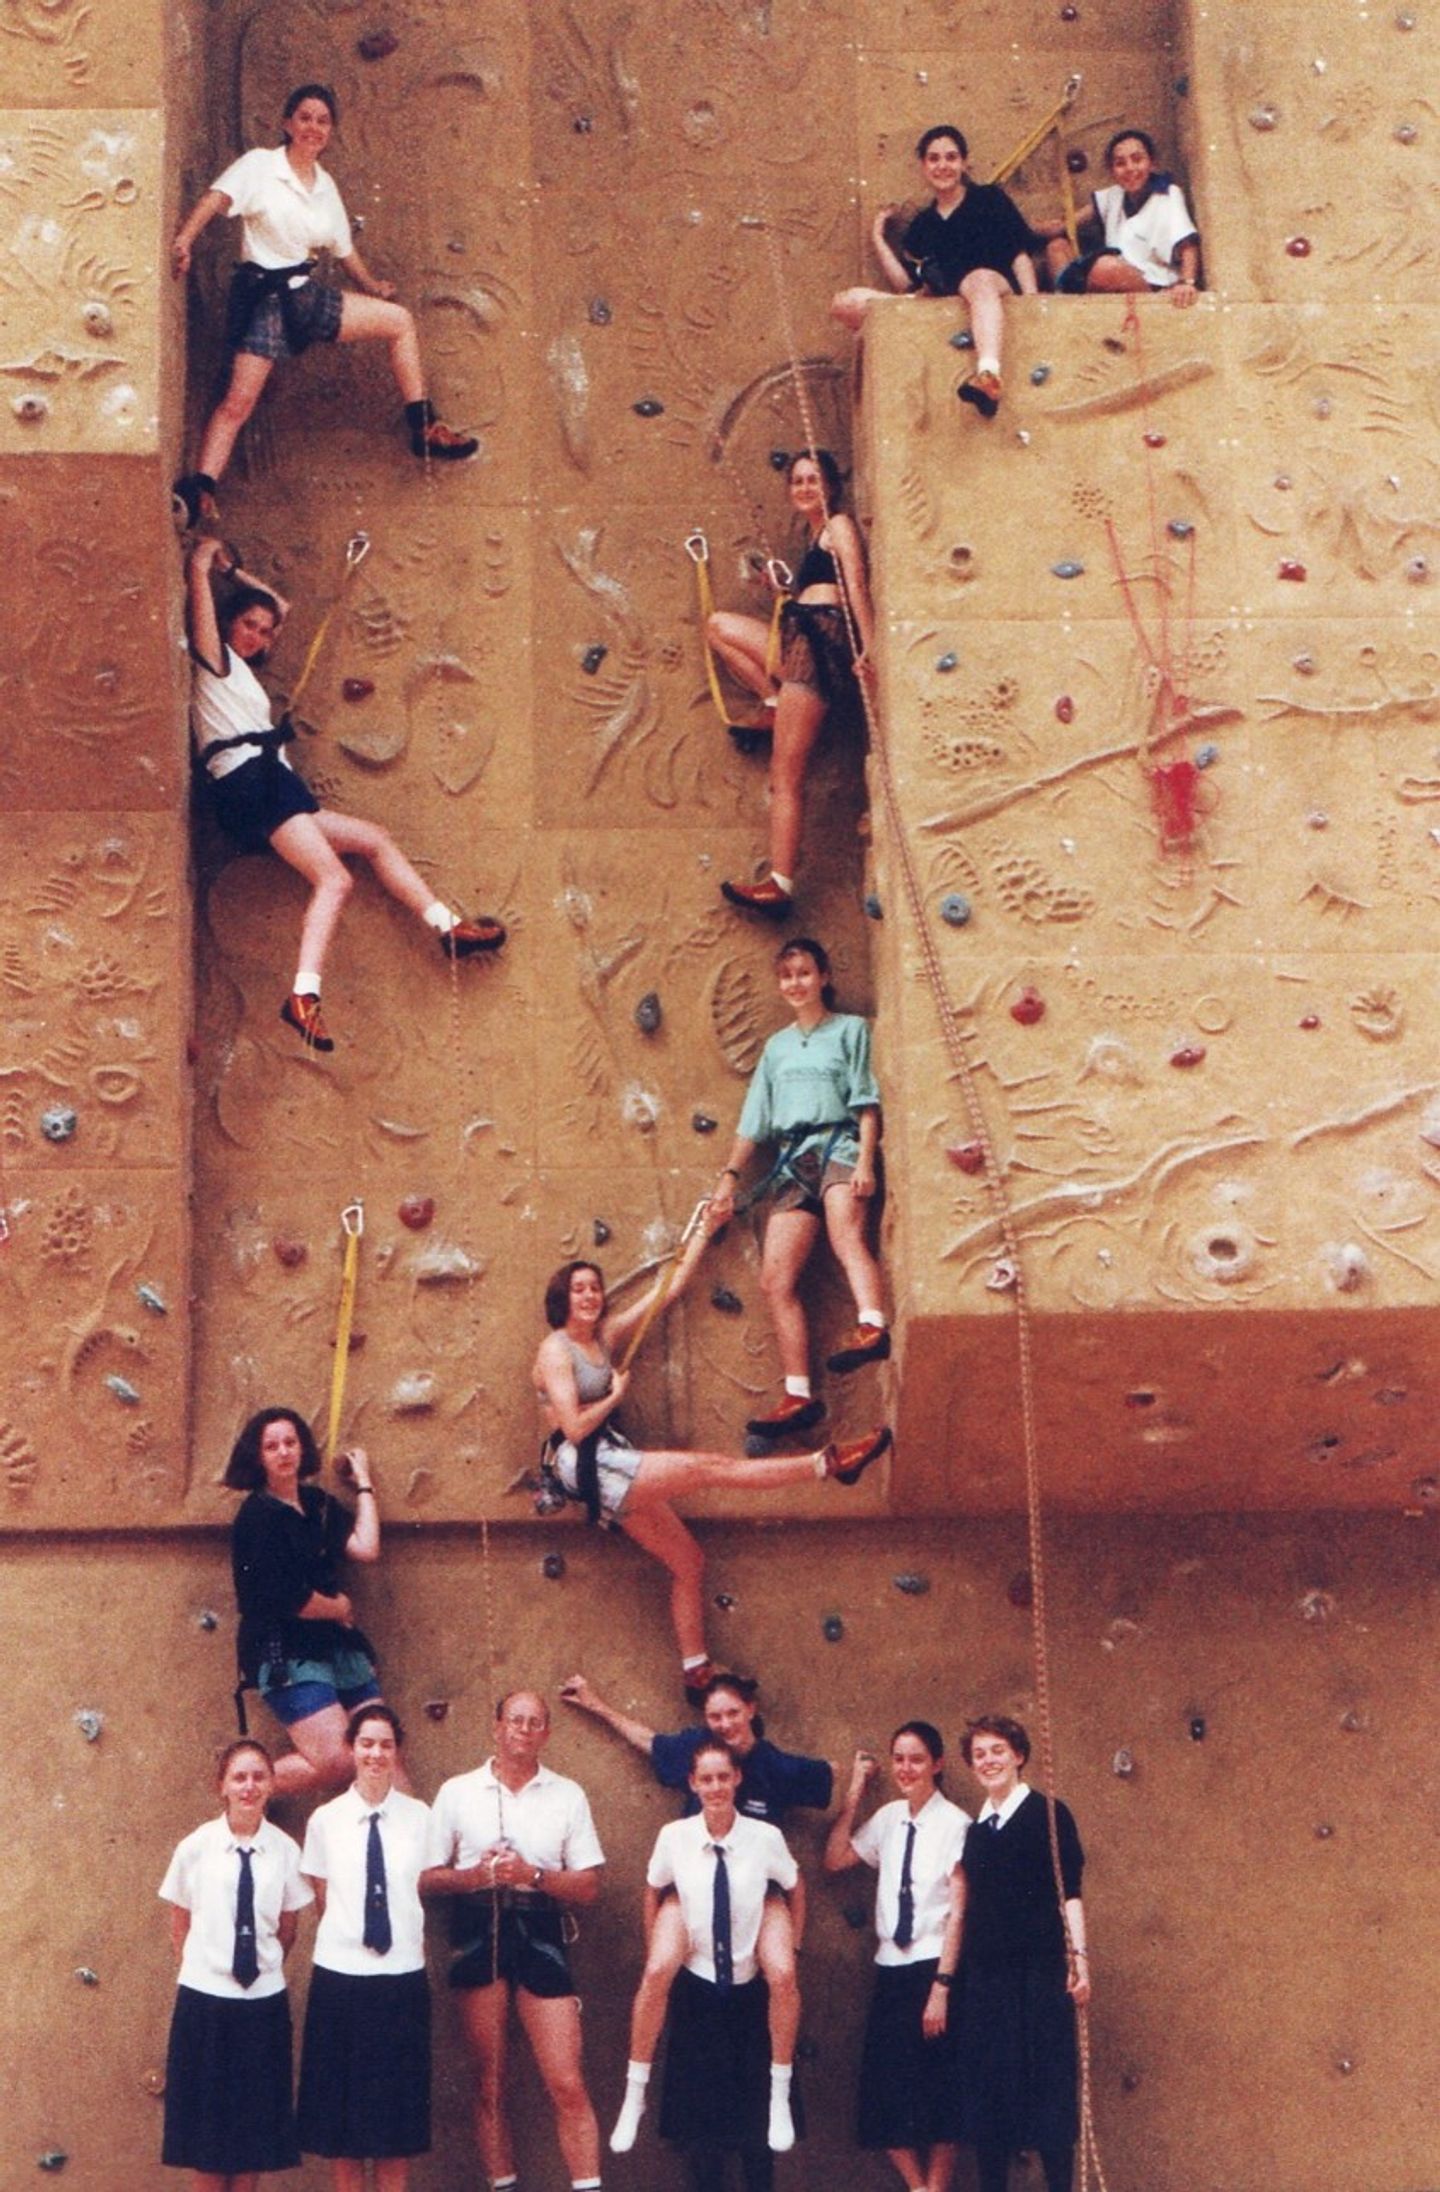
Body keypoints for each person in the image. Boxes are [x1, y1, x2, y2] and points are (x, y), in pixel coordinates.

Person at [187, 536, 505, 1052]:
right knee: (333, 879)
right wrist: (210, 563)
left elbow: (282, 607)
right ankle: (303, 996)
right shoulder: (215, 661)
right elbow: (202, 588)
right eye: (248, 624)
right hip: (248, 785)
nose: (257, 635)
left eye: (264, 631)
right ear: (226, 624)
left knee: (374, 839)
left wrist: (243, 579)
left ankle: (446, 928)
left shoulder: (242, 672)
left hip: (271, 784)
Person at [534, 1241, 892, 1699]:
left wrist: (708, 1227)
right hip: (585, 1460)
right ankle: (829, 1463)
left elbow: (668, 1290)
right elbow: (575, 1427)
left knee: (689, 1562)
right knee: (711, 1467)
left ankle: (696, 1669)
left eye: (595, 1289)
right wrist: (614, 1397)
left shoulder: (603, 1339)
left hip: (606, 1463)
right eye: (578, 1289)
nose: (589, 1296)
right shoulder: (555, 1350)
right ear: (561, 1298)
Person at [171, 82, 476, 526]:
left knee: (399, 321)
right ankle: (201, 490)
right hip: (265, 299)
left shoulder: (324, 184)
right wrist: (184, 240)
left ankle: (423, 428)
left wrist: (372, 284)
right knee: (238, 403)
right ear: (287, 123)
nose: (313, 127)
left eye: (322, 120)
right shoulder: (261, 165)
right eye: (305, 117)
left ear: (329, 131)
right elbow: (216, 200)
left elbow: (341, 248)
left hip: (306, 297)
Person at [561, 1671, 830, 2157]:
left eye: (732, 1713)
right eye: (715, 1716)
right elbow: (648, 1741)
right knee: (660, 1968)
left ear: (750, 1710)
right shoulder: (693, 1761)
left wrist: (861, 1779)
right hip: (694, 1885)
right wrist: (596, 1703)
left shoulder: (777, 1769)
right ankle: (633, 2095)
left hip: (759, 1892)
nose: (724, 1723)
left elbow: (827, 1778)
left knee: (784, 1974)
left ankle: (779, 2097)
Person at [419, 1691, 607, 2192]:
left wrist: (534, 1875)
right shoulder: (457, 1792)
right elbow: (427, 1879)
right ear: (496, 1727)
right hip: (478, 1925)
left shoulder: (568, 1794)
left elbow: (588, 1886)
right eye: (515, 1720)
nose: (524, 1729)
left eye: (535, 1722)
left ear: (546, 1733)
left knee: (566, 2080)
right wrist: (477, 1875)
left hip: (541, 1928)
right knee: (489, 2079)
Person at [708, 935, 888, 1439]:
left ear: (824, 977)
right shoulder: (777, 1047)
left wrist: (866, 1162)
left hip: (839, 1145)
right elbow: (753, 1121)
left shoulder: (850, 1031)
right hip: (792, 1157)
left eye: (804, 972)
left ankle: (872, 1325)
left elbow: (865, 1101)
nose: (795, 982)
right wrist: (728, 1177)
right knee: (774, 1280)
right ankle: (798, 1395)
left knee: (844, 1234)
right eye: (786, 975)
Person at [622, 1739, 804, 2186]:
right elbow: (653, 1888)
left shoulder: (765, 1838)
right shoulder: (675, 1837)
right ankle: (634, 2095)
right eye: (707, 1778)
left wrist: (792, 1945)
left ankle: (779, 2097)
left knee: (756, 2129)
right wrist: (656, 1950)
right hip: (699, 1984)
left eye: (724, 1776)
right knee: (702, 2129)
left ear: (738, 1778)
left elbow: (794, 1887)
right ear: (693, 1783)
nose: (716, 1786)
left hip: (750, 1987)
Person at [712, 449, 875, 919]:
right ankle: (771, 701)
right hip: (801, 638)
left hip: (818, 650)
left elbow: (856, 587)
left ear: (830, 486)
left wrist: (869, 649)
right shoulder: (813, 536)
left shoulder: (838, 526)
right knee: (720, 627)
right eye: (797, 482)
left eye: (812, 480)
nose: (804, 488)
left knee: (786, 775)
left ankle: (779, 881)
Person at [159, 1738, 313, 2191]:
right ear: (221, 1786)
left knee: (252, 2140)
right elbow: (180, 1922)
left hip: (261, 2007)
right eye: (239, 1777)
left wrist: (258, 1972)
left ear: (271, 1785)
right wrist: (207, 1973)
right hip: (205, 2007)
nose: (249, 1787)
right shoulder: (196, 1848)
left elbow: (288, 1928)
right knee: (207, 2144)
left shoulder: (285, 1852)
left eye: (258, 1777)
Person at [823, 1723, 971, 2192]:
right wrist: (856, 1792)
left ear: (938, 1765)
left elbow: (959, 1912)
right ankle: (919, 2188)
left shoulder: (956, 1825)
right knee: (885, 2095)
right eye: (899, 1759)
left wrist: (942, 1988)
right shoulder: (888, 1819)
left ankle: (937, 2188)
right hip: (891, 1968)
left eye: (916, 1759)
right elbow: (835, 1859)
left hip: (935, 1968)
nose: (905, 1769)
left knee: (943, 2092)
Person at [226, 1408, 402, 1797]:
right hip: (286, 1651)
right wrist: (339, 1607)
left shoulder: (317, 1504)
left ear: (303, 1448)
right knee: (340, 1761)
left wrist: (364, 1485)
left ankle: (421, 1855)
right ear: (259, 1457)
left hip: (338, 1648)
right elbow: (288, 1599)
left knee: (382, 1752)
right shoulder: (256, 1517)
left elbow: (366, 1548)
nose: (284, 1452)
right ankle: (244, 1787)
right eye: (271, 1446)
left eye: (290, 1442)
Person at [297, 1705, 432, 2192]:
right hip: (340, 1981)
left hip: (401, 1980)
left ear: (397, 1752)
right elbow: (321, 1895)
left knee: (395, 2128)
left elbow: (421, 1885)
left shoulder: (420, 1819)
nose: (376, 1753)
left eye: (386, 1744)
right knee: (343, 2129)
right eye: (367, 1743)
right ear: (352, 1749)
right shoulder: (325, 1821)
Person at [953, 1716, 1089, 2192]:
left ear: (1018, 1755)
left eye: (997, 1750)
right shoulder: (976, 1832)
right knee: (991, 2098)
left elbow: (1068, 1892)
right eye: (979, 1755)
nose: (988, 1760)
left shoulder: (1049, 1815)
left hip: (1039, 1976)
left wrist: (1080, 1961)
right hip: (987, 1982)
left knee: (1048, 2093)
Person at [831, 125, 1039, 418]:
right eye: (934, 158)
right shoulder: (922, 226)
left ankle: (989, 376)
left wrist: (1033, 301)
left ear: (964, 163)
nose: (943, 166)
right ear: (923, 166)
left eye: (951, 157)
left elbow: (1019, 253)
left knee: (977, 280)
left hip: (992, 289)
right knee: (847, 302)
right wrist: (878, 238)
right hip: (944, 301)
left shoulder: (989, 199)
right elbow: (906, 284)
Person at [1044, 129, 1199, 305]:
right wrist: (1032, 228)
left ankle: (1078, 302)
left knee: (1104, 268)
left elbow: (1188, 244)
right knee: (1056, 247)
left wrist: (1187, 283)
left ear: (1152, 163)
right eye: (1120, 163)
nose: (1130, 168)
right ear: (1112, 171)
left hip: (1151, 283)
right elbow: (1066, 225)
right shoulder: (1112, 196)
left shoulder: (1168, 194)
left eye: (1137, 159)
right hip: (1106, 278)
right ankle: (1070, 307)